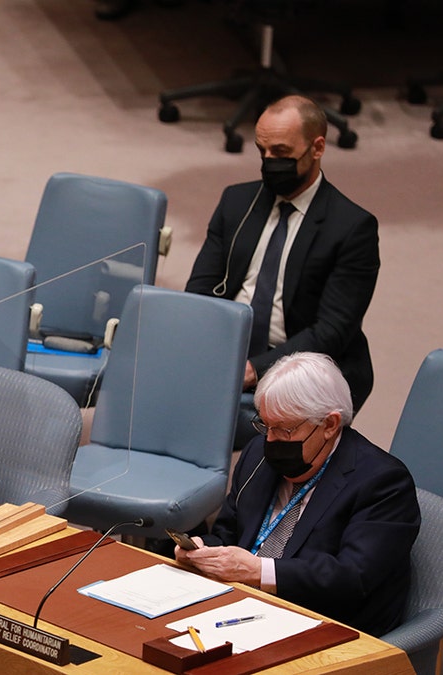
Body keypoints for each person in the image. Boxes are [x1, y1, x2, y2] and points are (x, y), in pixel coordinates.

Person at [174, 352, 420, 637]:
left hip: (323, 627)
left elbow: (351, 578)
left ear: (329, 425)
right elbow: (228, 533)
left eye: (284, 430)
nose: (270, 441)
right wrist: (202, 549)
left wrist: (258, 571)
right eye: (266, 425)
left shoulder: (382, 482)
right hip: (237, 612)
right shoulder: (257, 455)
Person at [186, 95, 379, 414]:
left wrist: (254, 370)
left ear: (317, 148)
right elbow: (201, 291)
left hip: (301, 364)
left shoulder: (352, 228)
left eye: (281, 152)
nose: (269, 162)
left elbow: (332, 331)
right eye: (263, 151)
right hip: (229, 348)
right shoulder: (237, 202)